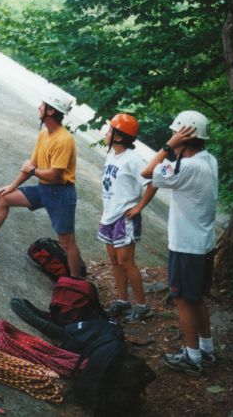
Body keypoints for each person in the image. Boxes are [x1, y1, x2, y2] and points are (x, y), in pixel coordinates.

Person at [0, 87, 84, 278]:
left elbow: (55, 175)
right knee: (3, 198)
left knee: (67, 242)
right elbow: (32, 164)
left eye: (43, 105)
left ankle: (76, 284)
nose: (39, 107)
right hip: (44, 188)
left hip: (61, 194)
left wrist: (32, 171)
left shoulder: (64, 140)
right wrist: (12, 186)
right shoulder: (45, 133)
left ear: (51, 111)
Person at [140, 110, 218, 375]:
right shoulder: (208, 160)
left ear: (184, 136)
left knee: (183, 299)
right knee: (197, 298)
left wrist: (167, 147)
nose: (171, 136)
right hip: (203, 243)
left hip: (186, 246)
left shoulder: (190, 167)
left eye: (175, 133)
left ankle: (192, 357)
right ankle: (206, 349)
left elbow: (147, 172)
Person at [99, 114, 158, 323]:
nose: (106, 134)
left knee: (126, 261)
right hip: (109, 216)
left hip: (125, 217)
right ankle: (122, 301)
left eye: (109, 130)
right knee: (114, 260)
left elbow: (152, 182)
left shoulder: (133, 159)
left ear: (118, 136)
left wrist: (139, 207)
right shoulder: (111, 156)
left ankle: (142, 306)